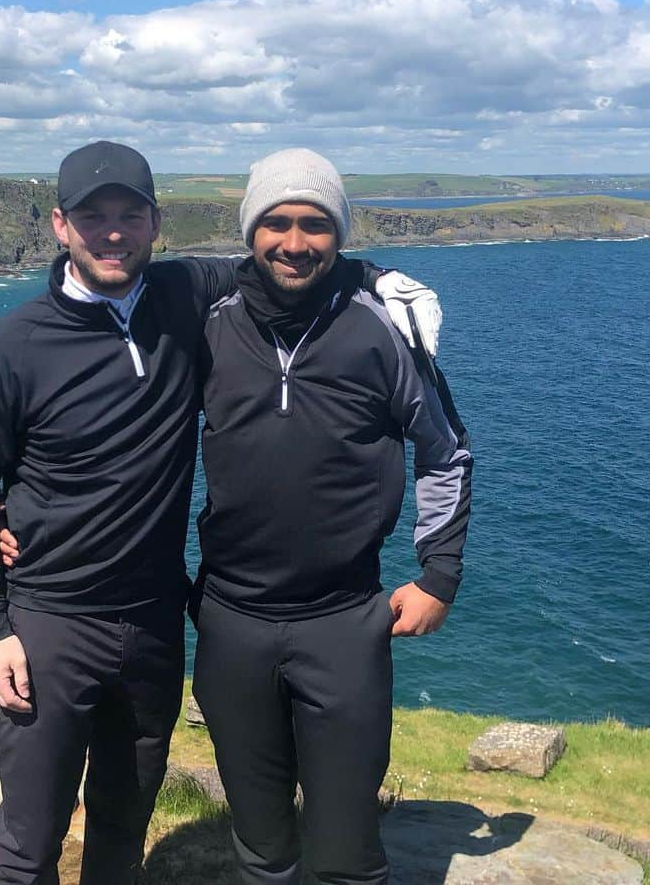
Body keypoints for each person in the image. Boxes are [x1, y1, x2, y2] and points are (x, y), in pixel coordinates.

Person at [0, 140, 442, 885]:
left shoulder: (184, 296)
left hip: (153, 622)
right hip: (50, 623)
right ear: (59, 225)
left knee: (123, 820)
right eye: (92, 216)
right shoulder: (8, 349)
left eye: (130, 215)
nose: (113, 232)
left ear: (155, 223)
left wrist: (382, 279)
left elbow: (292, 261)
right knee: (29, 836)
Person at [189, 149, 472, 885]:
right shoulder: (210, 325)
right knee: (261, 840)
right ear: (249, 230)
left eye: (315, 224)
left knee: (347, 848)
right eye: (275, 222)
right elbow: (119, 422)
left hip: (343, 621)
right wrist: (20, 500)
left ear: (339, 234)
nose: (294, 241)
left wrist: (438, 573)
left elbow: (445, 451)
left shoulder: (381, 328)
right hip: (229, 619)